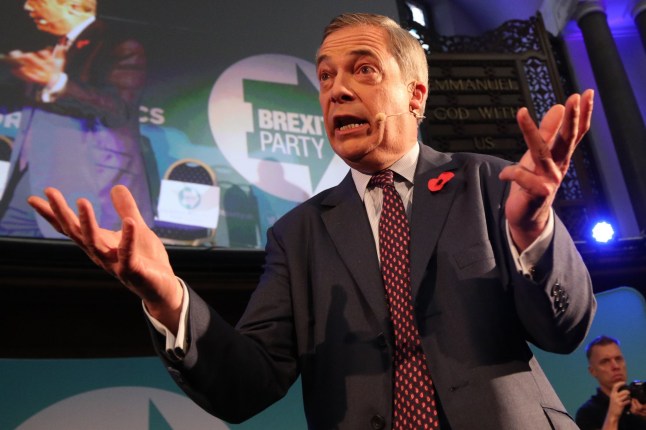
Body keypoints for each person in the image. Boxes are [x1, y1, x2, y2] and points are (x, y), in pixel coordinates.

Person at [27, 13, 596, 430]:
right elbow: (244, 386)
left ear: (416, 94)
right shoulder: (299, 235)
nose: (336, 89)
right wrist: (167, 297)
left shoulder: (487, 183)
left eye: (363, 69)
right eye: (325, 76)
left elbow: (563, 332)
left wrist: (531, 233)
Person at [0, 0, 153, 238]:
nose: (27, 7)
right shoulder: (53, 47)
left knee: (68, 269)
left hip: (87, 189)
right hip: (28, 181)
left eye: (36, 1)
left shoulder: (120, 47)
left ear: (71, 6)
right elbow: (24, 97)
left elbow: (117, 110)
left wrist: (58, 82)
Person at [576, 336, 646, 430]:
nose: (615, 366)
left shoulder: (641, 398)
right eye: (605, 361)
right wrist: (613, 416)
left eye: (618, 359)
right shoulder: (587, 414)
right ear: (593, 371)